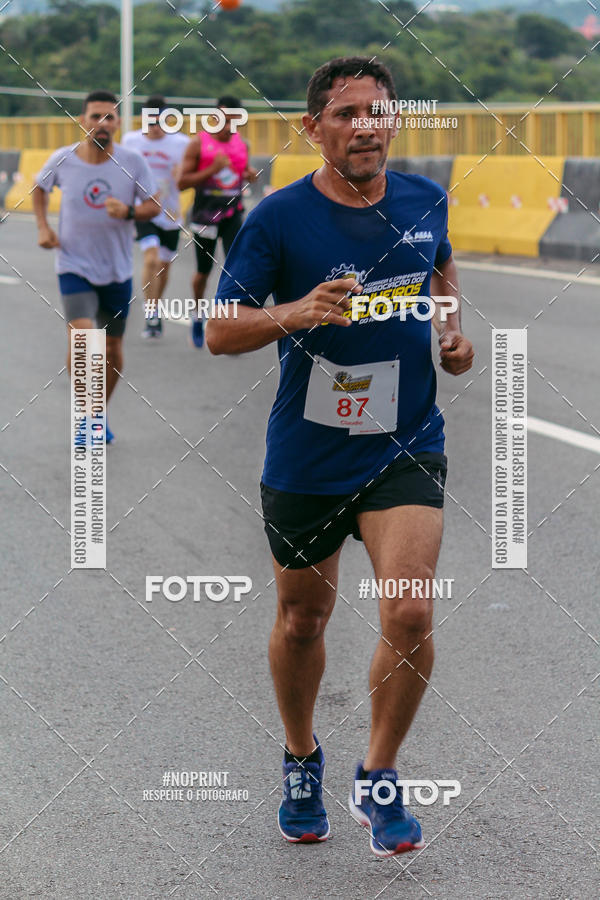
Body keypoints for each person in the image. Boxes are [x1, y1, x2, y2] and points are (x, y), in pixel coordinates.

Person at [207, 57, 474, 857]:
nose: (365, 126)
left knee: (411, 611)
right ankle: (301, 757)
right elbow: (220, 330)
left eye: (377, 112)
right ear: (313, 127)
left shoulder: (425, 199)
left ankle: (378, 775)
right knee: (303, 619)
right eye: (347, 113)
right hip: (308, 455)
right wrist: (298, 311)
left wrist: (451, 332)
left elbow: (441, 265)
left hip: (405, 442)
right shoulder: (279, 219)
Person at [33, 89, 159, 443]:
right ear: (82, 121)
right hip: (73, 265)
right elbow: (39, 188)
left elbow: (154, 205)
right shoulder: (63, 159)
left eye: (109, 117)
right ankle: (86, 413)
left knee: (113, 350)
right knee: (84, 340)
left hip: (117, 270)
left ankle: (98, 414)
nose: (102, 124)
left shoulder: (133, 162)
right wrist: (43, 227)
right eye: (95, 117)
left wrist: (130, 211)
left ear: (118, 123)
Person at [178, 95, 257, 348]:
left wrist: (248, 174)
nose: (228, 126)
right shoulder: (198, 144)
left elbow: (240, 172)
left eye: (234, 121)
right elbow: (182, 183)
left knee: (237, 269)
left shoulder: (242, 144)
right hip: (205, 217)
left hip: (233, 214)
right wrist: (212, 170)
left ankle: (232, 322)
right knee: (203, 272)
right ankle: (197, 316)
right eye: (224, 120)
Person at [122, 95, 189, 338]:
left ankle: (155, 308)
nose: (156, 127)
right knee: (151, 259)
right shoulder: (130, 141)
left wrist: (181, 175)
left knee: (163, 265)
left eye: (160, 122)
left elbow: (187, 180)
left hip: (170, 214)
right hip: (143, 210)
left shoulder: (181, 143)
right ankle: (151, 314)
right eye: (151, 122)